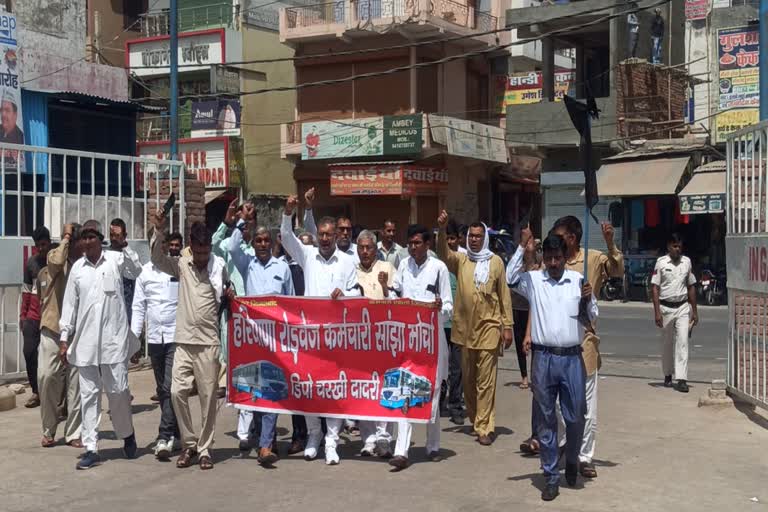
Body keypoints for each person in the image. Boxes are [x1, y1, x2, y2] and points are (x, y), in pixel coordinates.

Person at [515, 216, 623, 480]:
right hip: (549, 350)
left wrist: (611, 243)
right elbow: (538, 305)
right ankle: (563, 452)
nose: (555, 249)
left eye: (560, 236)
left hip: (581, 345)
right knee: (554, 410)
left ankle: (584, 457)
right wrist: (529, 332)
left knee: (582, 409)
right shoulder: (551, 263)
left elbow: (618, 270)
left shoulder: (593, 259)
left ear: (572, 238)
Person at [508, 233, 598, 502]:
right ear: (544, 259)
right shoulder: (535, 281)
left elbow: (591, 316)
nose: (554, 263)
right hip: (543, 358)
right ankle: (550, 475)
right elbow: (510, 278)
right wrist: (524, 247)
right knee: (546, 419)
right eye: (548, 258)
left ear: (565, 257)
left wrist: (589, 298)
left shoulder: (577, 281)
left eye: (558, 258)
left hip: (572, 358)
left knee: (575, 415)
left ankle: (572, 458)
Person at [280, 194, 360, 465]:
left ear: (337, 235)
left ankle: (332, 441)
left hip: (337, 337)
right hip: (310, 337)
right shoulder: (308, 256)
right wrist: (288, 212)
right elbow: (287, 237)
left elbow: (358, 293)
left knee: (334, 389)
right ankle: (314, 435)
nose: (325, 239)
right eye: (321, 235)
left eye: (329, 235)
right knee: (310, 388)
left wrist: (345, 294)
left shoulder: (349, 262)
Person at [59, 220, 142, 470]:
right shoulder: (78, 269)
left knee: (118, 392)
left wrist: (124, 244)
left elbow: (136, 270)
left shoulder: (115, 260)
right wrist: (64, 337)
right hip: (85, 344)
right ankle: (91, 447)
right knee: (88, 396)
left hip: (113, 342)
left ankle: (127, 434)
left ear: (100, 239)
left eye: (91, 236)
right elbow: (70, 305)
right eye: (83, 237)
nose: (87, 241)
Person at [151, 216, 231, 471]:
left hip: (208, 343)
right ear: (191, 248)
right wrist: (159, 230)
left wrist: (230, 295)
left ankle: (205, 448)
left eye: (205, 252)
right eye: (197, 252)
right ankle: (189, 443)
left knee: (208, 399)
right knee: (176, 392)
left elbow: (229, 295)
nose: (201, 257)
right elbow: (157, 259)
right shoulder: (182, 265)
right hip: (183, 341)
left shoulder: (218, 268)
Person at [436, 211, 513, 446]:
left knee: (486, 381)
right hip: (465, 329)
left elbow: (504, 296)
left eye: (479, 236)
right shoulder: (462, 260)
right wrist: (441, 229)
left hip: (489, 328)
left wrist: (507, 325)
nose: (475, 240)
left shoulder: (496, 262)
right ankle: (475, 416)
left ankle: (484, 426)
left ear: (485, 238)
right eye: (471, 236)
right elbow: (443, 254)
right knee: (468, 380)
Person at [229, 219, 294, 465]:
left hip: (277, 338)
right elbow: (233, 247)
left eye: (267, 240)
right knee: (255, 390)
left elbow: (291, 301)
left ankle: (266, 444)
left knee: (272, 388)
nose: (263, 244)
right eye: (258, 240)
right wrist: (240, 222)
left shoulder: (283, 267)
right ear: (253, 244)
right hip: (252, 338)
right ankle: (264, 438)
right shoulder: (247, 264)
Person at [388, 224, 453, 471]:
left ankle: (433, 445)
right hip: (408, 341)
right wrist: (389, 292)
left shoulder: (439, 269)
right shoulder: (403, 266)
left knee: (432, 394)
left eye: (417, 243)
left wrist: (438, 308)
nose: (413, 247)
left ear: (428, 245)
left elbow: (449, 306)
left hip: (432, 342)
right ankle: (401, 451)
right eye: (410, 243)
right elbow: (395, 296)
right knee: (405, 391)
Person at [131, 232, 183, 460]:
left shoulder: (178, 269)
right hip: (154, 337)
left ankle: (163, 436)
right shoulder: (144, 272)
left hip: (175, 335)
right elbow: (138, 307)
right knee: (162, 389)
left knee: (171, 387)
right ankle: (178, 432)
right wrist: (135, 339)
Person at [37, 223, 83, 448]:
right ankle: (48, 430)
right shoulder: (53, 265)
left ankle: (74, 432)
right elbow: (55, 261)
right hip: (53, 329)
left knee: (76, 384)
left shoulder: (83, 267)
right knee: (47, 378)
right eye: (71, 241)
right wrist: (65, 235)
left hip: (76, 332)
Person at [355, 230, 396, 458]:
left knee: (385, 389)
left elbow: (399, 302)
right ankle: (368, 440)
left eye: (369, 247)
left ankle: (384, 439)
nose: (364, 252)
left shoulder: (387, 269)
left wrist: (385, 288)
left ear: (375, 249)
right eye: (361, 247)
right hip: (359, 341)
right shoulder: (352, 271)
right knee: (364, 391)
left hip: (384, 339)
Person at [212, 199, 255, 399]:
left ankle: (247, 385)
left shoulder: (259, 249)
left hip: (254, 309)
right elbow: (211, 245)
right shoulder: (227, 245)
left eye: (248, 223)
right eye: (242, 222)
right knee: (228, 346)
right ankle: (225, 382)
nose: (245, 227)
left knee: (250, 349)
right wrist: (227, 223)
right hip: (232, 306)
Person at [651, 233, 698, 393]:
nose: (678, 249)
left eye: (679, 246)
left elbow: (691, 286)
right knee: (667, 344)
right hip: (665, 308)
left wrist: (695, 311)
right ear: (668, 247)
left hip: (683, 307)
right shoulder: (661, 263)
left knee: (683, 341)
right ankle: (668, 374)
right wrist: (657, 312)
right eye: (674, 246)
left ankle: (682, 379)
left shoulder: (687, 262)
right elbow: (655, 288)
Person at [21, 226, 51, 408]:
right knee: (29, 352)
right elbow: (25, 290)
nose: (41, 248)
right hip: (32, 316)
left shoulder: (57, 261)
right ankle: (36, 392)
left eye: (44, 244)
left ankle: (56, 396)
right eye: (38, 245)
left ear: (49, 242)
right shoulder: (31, 263)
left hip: (51, 316)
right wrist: (22, 315)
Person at [441, 220, 464, 425]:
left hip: (459, 323)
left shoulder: (465, 260)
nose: (449, 241)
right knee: (440, 365)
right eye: (446, 238)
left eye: (452, 238)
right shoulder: (438, 261)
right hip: (441, 323)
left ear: (458, 239)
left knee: (457, 368)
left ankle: (456, 405)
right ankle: (439, 402)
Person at [302, 187, 359, 262]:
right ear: (335, 231)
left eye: (348, 229)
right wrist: (308, 207)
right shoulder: (326, 248)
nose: (345, 233)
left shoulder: (359, 251)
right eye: (341, 229)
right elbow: (310, 228)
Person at [109, 218, 136, 324]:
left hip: (125, 314)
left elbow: (135, 283)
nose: (114, 238)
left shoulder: (130, 256)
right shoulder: (104, 255)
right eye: (112, 235)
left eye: (117, 235)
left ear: (124, 236)